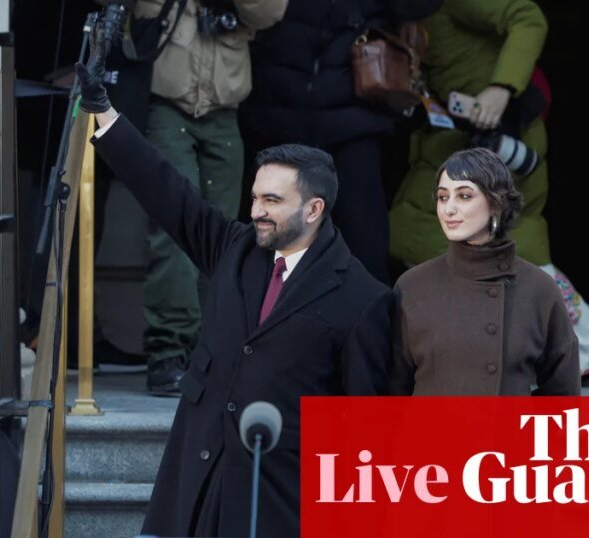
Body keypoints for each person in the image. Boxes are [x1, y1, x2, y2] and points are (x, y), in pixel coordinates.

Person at [76, 17, 395, 536]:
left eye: (272, 201)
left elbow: (363, 432)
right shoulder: (236, 249)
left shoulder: (362, 300)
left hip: (277, 506)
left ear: (314, 208)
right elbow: (167, 193)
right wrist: (107, 117)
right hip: (196, 490)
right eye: (254, 197)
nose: (257, 211)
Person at [388, 0, 589, 377]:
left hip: (500, 137)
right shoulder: (408, 12)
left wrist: (500, 88)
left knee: (508, 248)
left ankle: (586, 348)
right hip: (459, 140)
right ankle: (584, 349)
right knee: (431, 238)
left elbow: (528, 17)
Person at [114, 0, 288, 394]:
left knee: (227, 238)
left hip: (224, 110)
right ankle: (167, 350)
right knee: (173, 232)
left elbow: (271, 11)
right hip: (166, 105)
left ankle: (211, 348)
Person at [241, 0, 445, 284]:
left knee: (364, 251)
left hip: (353, 120)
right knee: (266, 251)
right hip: (274, 116)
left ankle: (369, 326)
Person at [392, 148, 580, 396]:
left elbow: (562, 395)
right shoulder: (412, 287)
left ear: (496, 203)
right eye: (442, 196)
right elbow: (392, 393)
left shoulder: (539, 289)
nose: (448, 209)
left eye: (464, 196)